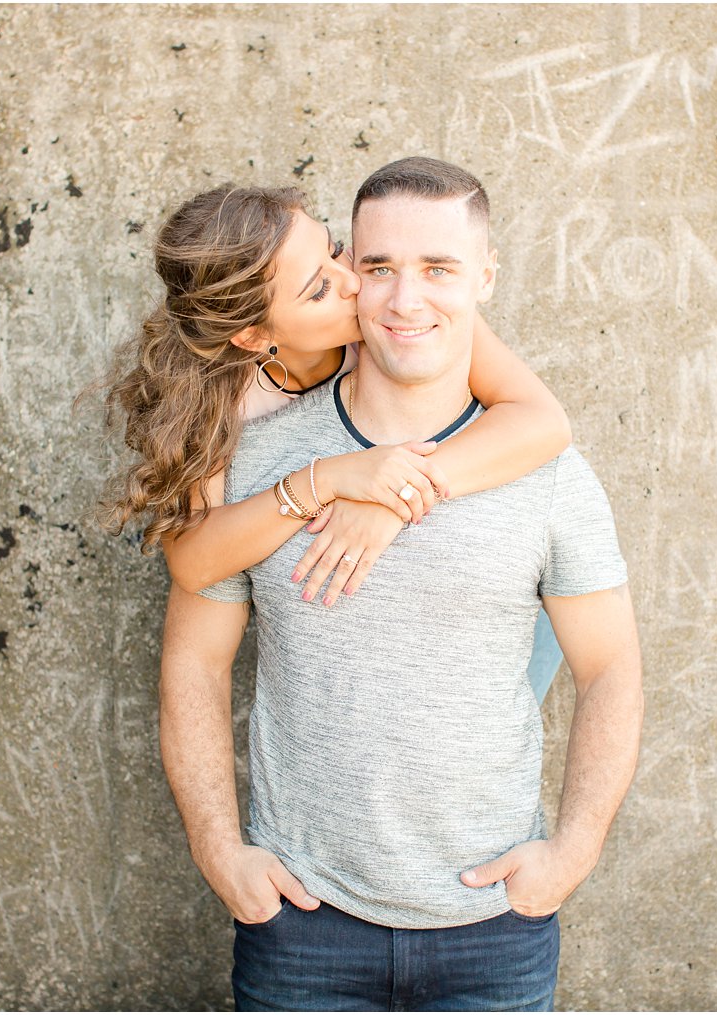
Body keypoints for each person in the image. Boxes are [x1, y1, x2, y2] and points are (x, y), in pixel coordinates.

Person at [160, 157, 644, 1011]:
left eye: (438, 269)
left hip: (493, 924)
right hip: (303, 927)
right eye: (369, 269)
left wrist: (570, 852)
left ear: (485, 275)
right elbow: (194, 627)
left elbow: (611, 666)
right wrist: (218, 849)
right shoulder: (243, 445)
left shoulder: (542, 464)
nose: (388, 296)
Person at [91, 181, 570, 700]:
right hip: (347, 630)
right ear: (253, 336)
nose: (353, 282)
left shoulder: (397, 317)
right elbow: (194, 561)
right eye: (318, 288)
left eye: (334, 248)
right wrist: (328, 480)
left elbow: (544, 421)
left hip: (500, 609)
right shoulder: (222, 401)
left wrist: (393, 500)